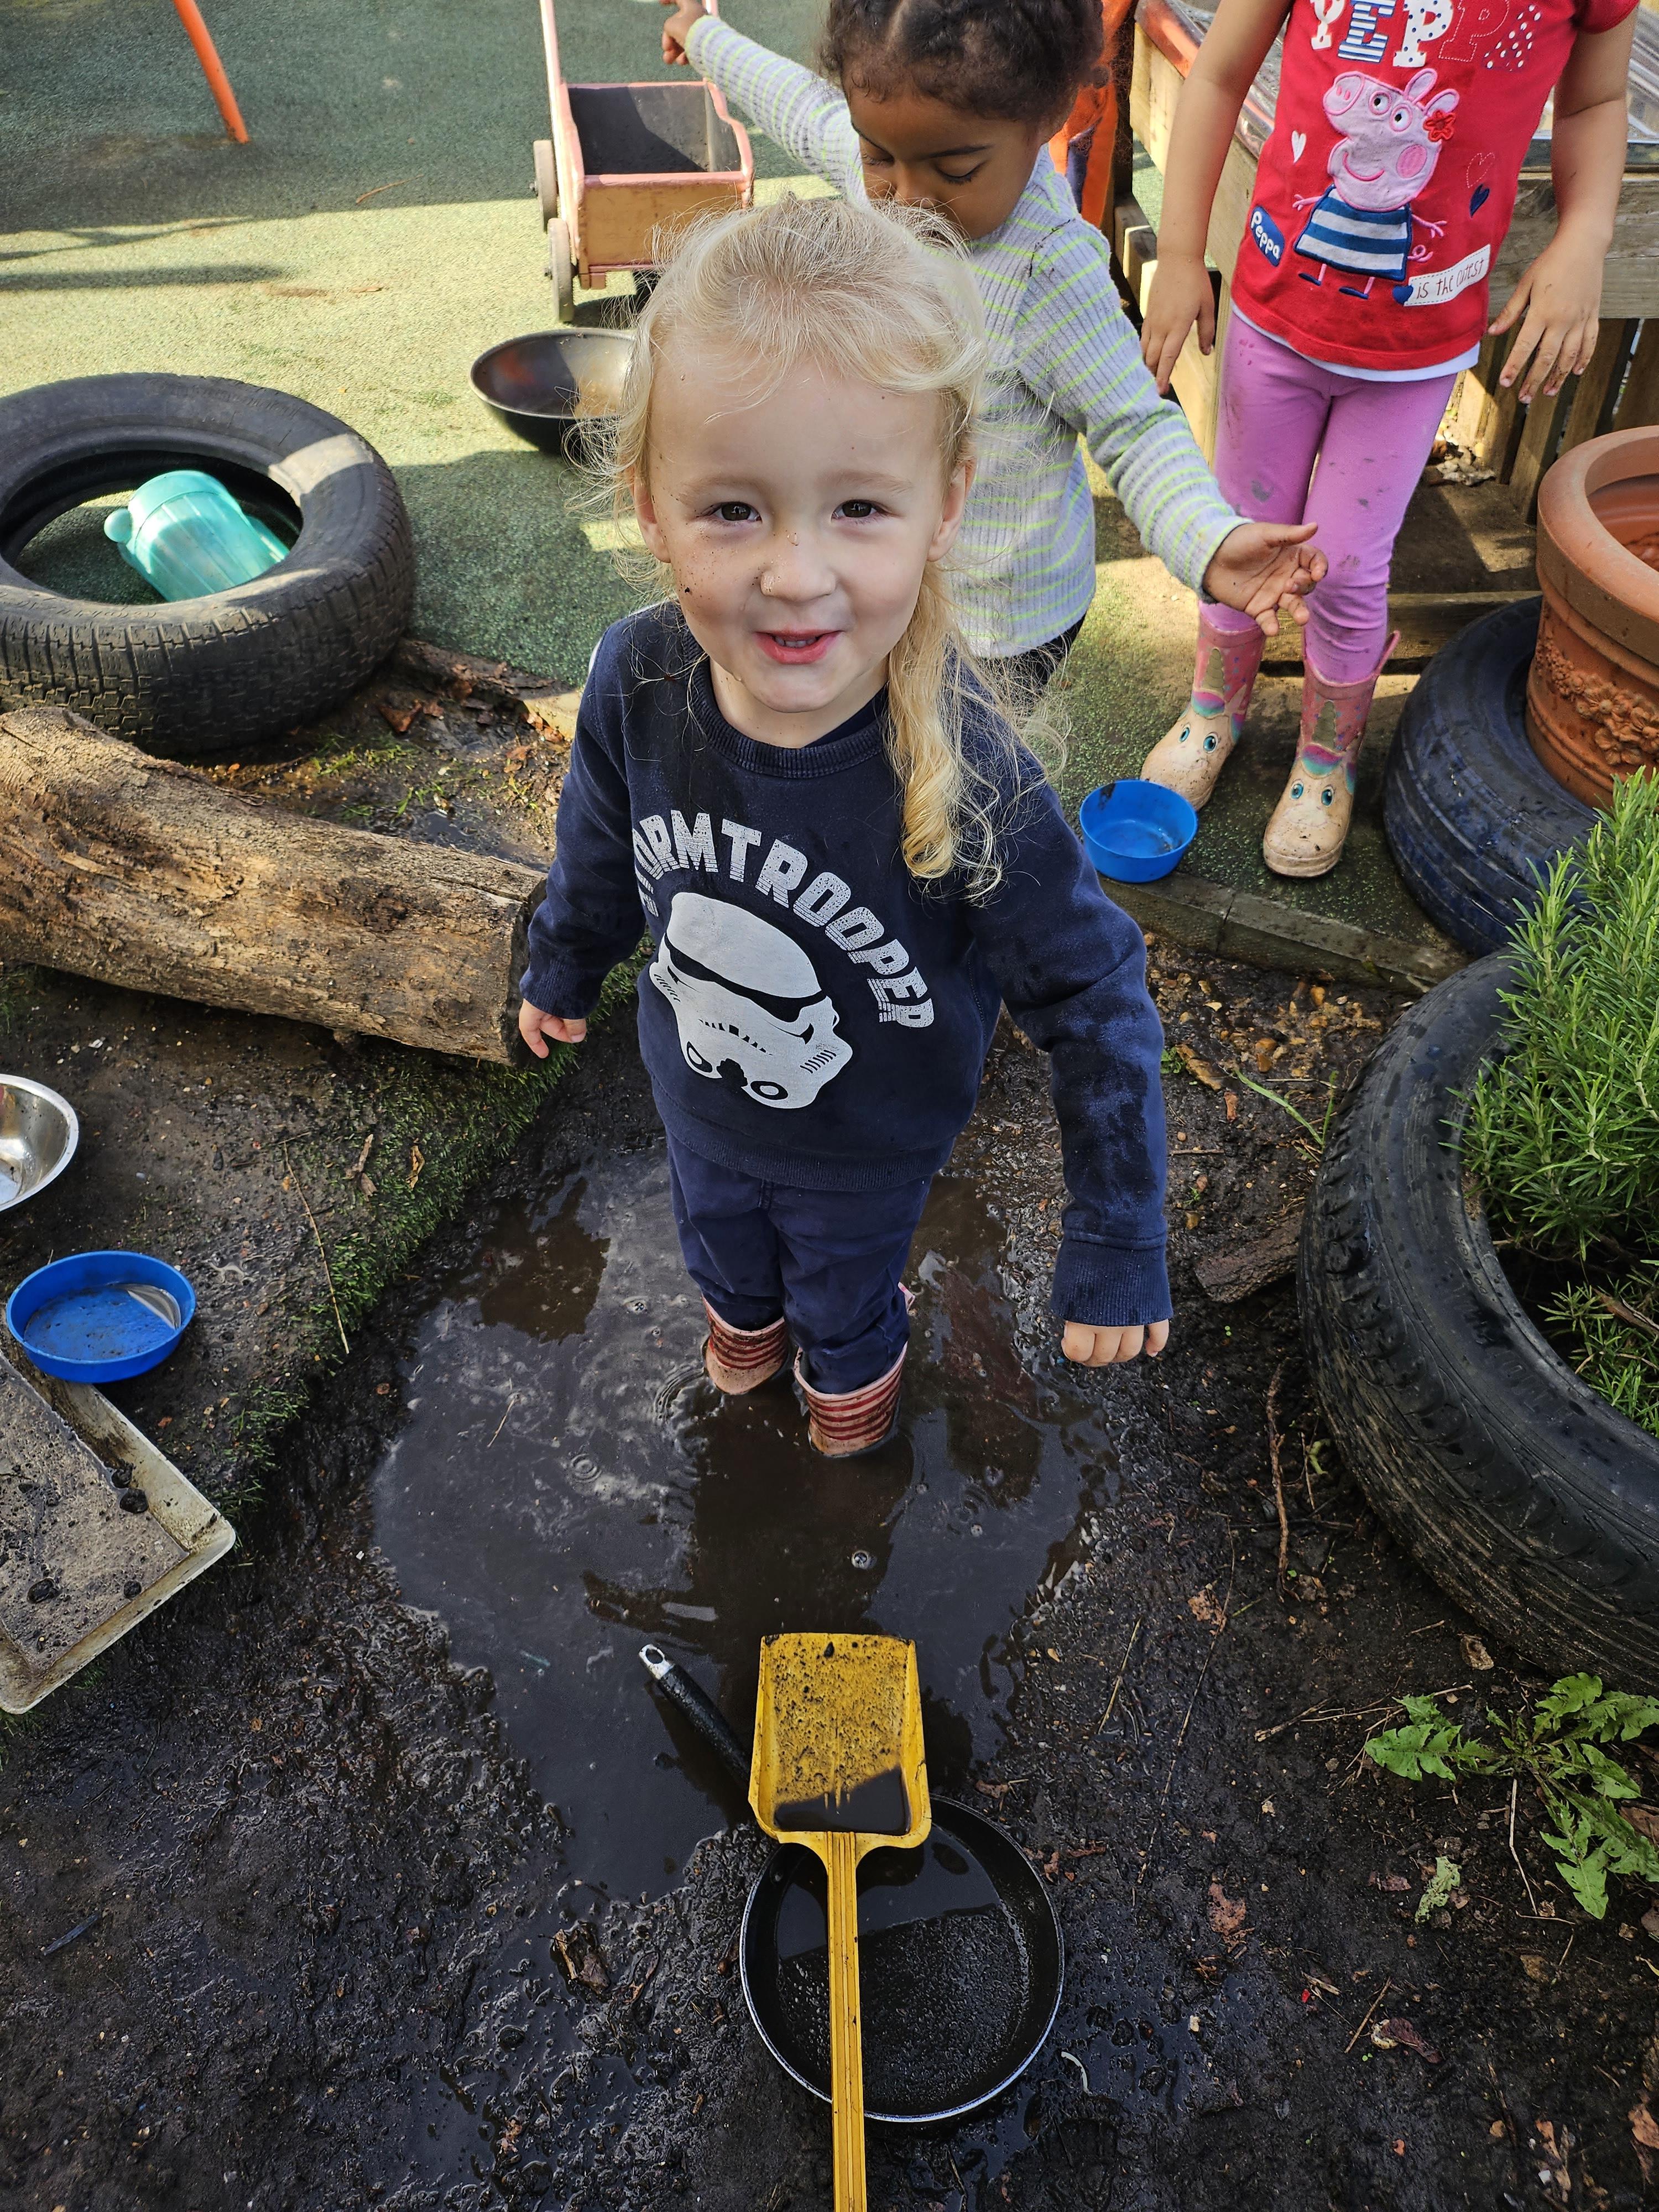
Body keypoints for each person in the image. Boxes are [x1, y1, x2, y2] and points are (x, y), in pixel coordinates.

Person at [518, 195, 1173, 1458]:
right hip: (697, 1095)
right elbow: (599, 837)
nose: (797, 574)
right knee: (722, 1262)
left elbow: (1093, 992)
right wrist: (563, 959)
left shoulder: (964, 764)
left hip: (869, 1147)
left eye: (859, 508)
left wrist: (1117, 1232)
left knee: (843, 1302)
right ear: (649, 506)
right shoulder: (635, 676)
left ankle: (848, 1428)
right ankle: (745, 1340)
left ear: (945, 505)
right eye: (732, 510)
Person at [656, 0, 1327, 709]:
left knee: (963, 762)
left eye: (955, 170)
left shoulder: (1047, 267)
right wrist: (702, 34)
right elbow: (797, 104)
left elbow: (1134, 427)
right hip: (889, 583)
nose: (908, 198)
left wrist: (1209, 542)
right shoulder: (895, 157)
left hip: (995, 624)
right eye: (878, 155)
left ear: (1047, 119)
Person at [1138, 0, 1636, 876]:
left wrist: (1585, 239)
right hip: (1272, 321)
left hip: (1416, 352)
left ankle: (1326, 758)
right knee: (1236, 528)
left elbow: (1595, 102)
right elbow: (1218, 71)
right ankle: (1214, 708)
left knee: (1347, 567)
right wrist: (1181, 254)